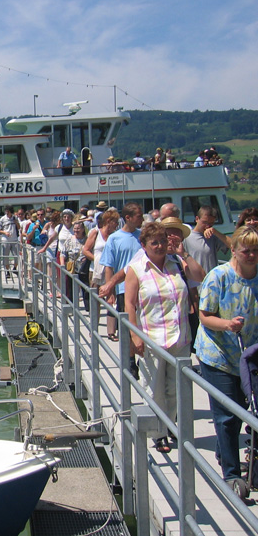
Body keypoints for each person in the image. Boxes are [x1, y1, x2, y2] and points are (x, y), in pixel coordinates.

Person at [195, 226, 258, 486]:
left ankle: (227, 454)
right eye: (246, 251)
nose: (252, 255)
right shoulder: (218, 276)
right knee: (227, 415)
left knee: (246, 411)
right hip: (218, 354)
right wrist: (227, 325)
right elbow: (204, 316)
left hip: (249, 355)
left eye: (256, 251)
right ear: (233, 250)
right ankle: (232, 475)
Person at [124, 223, 193, 453]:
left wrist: (184, 254)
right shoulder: (136, 269)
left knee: (176, 388)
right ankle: (158, 433)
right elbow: (129, 304)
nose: (160, 246)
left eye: (163, 241)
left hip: (180, 336)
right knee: (154, 389)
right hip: (152, 338)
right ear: (143, 245)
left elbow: (200, 277)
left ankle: (169, 424)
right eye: (154, 242)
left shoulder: (177, 264)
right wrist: (135, 335)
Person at [99, 203, 144, 369]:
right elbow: (109, 266)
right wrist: (110, 289)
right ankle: (130, 360)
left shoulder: (143, 236)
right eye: (139, 216)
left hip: (143, 288)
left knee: (142, 324)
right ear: (128, 218)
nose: (142, 219)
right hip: (124, 289)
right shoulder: (114, 238)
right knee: (128, 326)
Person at [83, 208, 120, 340]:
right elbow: (85, 250)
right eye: (115, 222)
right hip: (95, 271)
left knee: (111, 300)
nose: (117, 224)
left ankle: (111, 332)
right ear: (108, 221)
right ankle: (93, 329)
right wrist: (98, 260)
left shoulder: (115, 235)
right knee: (95, 301)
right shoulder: (96, 232)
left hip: (111, 272)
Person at [184, 205, 230, 277]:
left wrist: (216, 232)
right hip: (195, 280)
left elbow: (234, 246)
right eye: (204, 222)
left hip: (212, 279)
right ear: (197, 219)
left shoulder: (213, 237)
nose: (207, 226)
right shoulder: (186, 237)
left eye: (211, 223)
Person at [62, 220, 87, 304]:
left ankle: (88, 307)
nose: (76, 230)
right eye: (75, 228)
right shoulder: (69, 239)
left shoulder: (87, 240)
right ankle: (70, 305)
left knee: (85, 288)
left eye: (78, 228)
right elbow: (63, 253)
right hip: (71, 267)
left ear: (83, 229)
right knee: (70, 288)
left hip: (84, 267)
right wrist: (62, 265)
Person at [0, 206, 19, 275]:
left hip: (14, 239)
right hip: (6, 240)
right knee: (6, 256)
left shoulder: (15, 218)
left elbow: (19, 228)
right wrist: (5, 233)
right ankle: (7, 271)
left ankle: (15, 268)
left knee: (17, 255)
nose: (7, 212)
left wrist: (16, 222)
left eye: (8, 211)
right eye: (6, 211)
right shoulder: (2, 219)